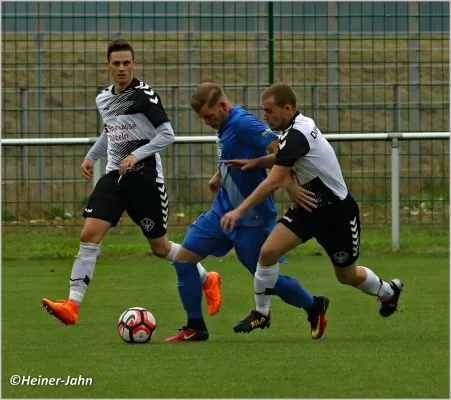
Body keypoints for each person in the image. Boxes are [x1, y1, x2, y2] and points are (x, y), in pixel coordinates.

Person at [42, 39, 221, 325]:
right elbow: (110, 132)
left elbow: (167, 134)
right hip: (114, 177)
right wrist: (91, 156)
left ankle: (207, 278)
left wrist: (136, 155)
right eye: (117, 63)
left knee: (160, 248)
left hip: (146, 180)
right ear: (108, 66)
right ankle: (72, 305)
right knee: (89, 235)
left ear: (134, 64)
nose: (122, 68)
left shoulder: (144, 95)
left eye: (127, 63)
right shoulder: (103, 98)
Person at [220, 82, 403, 332]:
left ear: (287, 108)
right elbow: (284, 157)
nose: (265, 116)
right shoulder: (294, 129)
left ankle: (387, 290)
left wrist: (238, 210)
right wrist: (256, 162)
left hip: (337, 213)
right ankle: (261, 312)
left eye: (269, 111)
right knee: (268, 253)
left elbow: (275, 180)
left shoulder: (297, 134)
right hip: (308, 204)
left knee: (346, 276)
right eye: (263, 111)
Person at [164, 82, 330, 343]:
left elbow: (281, 151)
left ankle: (313, 305)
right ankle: (195, 326)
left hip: (252, 219)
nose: (207, 122)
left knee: (269, 281)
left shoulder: (244, 123)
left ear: (222, 105)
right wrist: (221, 174)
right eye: (202, 118)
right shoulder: (225, 126)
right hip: (222, 212)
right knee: (183, 260)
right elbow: (238, 154)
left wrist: (287, 185)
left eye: (209, 116)